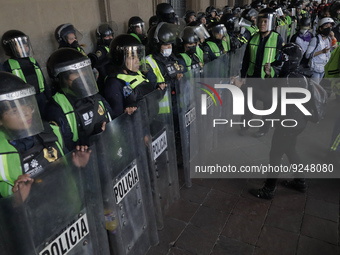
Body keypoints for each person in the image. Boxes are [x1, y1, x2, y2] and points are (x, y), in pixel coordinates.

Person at [248, 43, 309, 199]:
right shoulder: (299, 75)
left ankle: (269, 189)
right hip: (299, 122)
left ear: (289, 59)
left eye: (282, 57)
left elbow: (268, 97)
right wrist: (269, 75)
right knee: (290, 149)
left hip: (288, 124)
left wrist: (244, 86)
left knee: (275, 154)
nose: (279, 60)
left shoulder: (289, 79)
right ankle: (300, 181)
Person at [0, 72, 65, 198]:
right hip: (28, 215)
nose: (26, 113)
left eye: (27, 106)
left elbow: (67, 171)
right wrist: (16, 199)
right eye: (14, 111)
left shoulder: (51, 131)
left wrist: (78, 164)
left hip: (66, 207)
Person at [45, 48, 112, 151]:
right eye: (76, 73)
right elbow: (64, 148)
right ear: (61, 78)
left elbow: (112, 119)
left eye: (84, 71)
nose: (82, 76)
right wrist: (91, 140)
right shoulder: (56, 108)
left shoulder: (94, 96)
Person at [238, 8, 284, 137]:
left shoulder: (277, 38)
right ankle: (244, 126)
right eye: (260, 21)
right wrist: (243, 77)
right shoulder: (253, 37)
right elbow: (246, 59)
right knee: (248, 104)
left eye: (265, 21)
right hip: (253, 77)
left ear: (271, 22)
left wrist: (273, 71)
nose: (262, 24)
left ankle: (264, 129)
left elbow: (280, 61)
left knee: (268, 105)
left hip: (268, 80)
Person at [104, 34, 155, 119]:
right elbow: (118, 117)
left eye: (138, 57)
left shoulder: (137, 73)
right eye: (132, 58)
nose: (137, 61)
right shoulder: (114, 83)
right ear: (120, 59)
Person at [2, 30, 50, 114]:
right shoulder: (8, 65)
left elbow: (43, 80)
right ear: (10, 48)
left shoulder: (32, 61)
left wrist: (49, 97)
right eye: (20, 46)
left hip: (40, 96)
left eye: (26, 45)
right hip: (24, 100)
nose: (24, 48)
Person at [305, 17, 336, 84]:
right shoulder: (315, 40)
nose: (328, 29)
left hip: (323, 68)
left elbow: (334, 48)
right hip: (315, 69)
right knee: (314, 88)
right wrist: (321, 52)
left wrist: (333, 38)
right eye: (326, 26)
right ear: (320, 28)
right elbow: (307, 55)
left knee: (317, 88)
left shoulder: (328, 39)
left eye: (330, 27)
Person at [88, 23, 115, 94]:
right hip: (107, 80)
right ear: (101, 38)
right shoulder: (100, 50)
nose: (110, 38)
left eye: (111, 35)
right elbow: (99, 66)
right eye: (107, 36)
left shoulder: (110, 47)